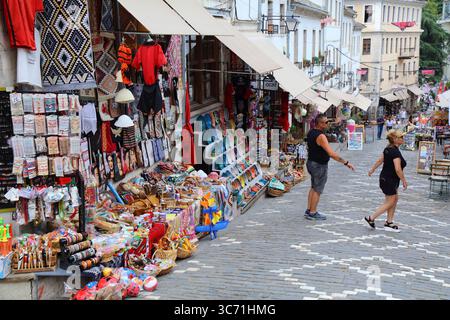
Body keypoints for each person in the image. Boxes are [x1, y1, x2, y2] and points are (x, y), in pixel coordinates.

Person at [305, 114, 355, 220]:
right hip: (319, 165)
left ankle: (309, 210)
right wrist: (346, 163)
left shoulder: (311, 132)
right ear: (320, 123)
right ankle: (313, 212)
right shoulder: (321, 136)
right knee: (318, 189)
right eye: (326, 122)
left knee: (314, 187)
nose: (328, 124)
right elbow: (331, 153)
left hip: (311, 162)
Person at [365, 130, 408, 232]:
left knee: (394, 199)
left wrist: (372, 169)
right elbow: (398, 169)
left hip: (386, 178)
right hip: (390, 179)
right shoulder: (395, 152)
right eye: (401, 137)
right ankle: (370, 218)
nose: (403, 139)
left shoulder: (388, 149)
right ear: (395, 139)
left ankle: (389, 222)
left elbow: (380, 160)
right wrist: (404, 181)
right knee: (390, 201)